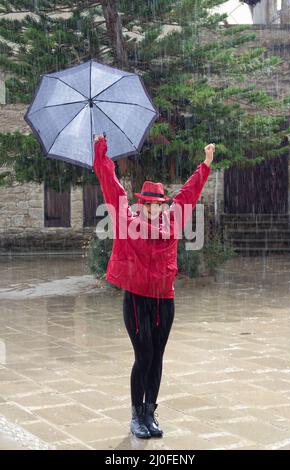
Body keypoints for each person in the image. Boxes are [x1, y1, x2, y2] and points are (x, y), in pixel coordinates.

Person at [93, 135, 214, 439]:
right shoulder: (126, 218)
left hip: (164, 301)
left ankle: (150, 413)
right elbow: (110, 184)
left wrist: (206, 165)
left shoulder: (173, 219)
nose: (151, 210)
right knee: (144, 354)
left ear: (163, 206)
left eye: (156, 205)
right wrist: (101, 150)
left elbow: (188, 194)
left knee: (157, 356)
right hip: (136, 299)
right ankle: (136, 415)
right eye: (146, 204)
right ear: (140, 203)